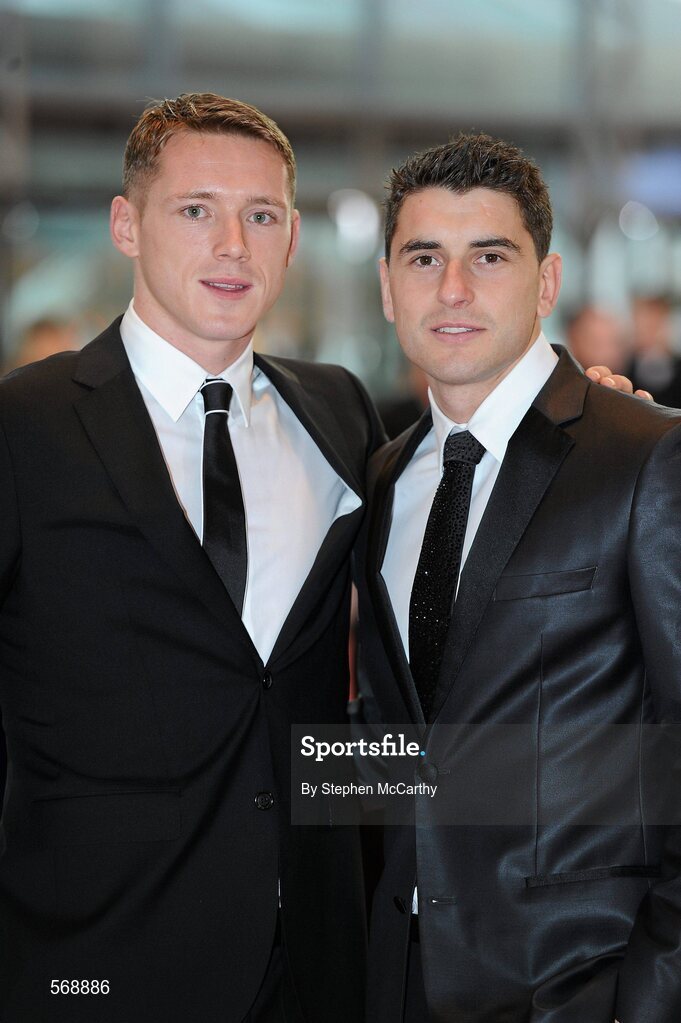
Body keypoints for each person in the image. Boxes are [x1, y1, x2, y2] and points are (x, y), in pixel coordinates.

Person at [0, 92, 383, 1023]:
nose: (232, 246)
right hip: (93, 967)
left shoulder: (340, 413)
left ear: (292, 239)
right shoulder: (24, 426)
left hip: (317, 967)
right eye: (196, 209)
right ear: (126, 225)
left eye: (261, 216)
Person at [356, 132, 681, 1022]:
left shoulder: (644, 456)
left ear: (546, 282)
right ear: (386, 286)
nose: (452, 289)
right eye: (424, 257)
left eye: (489, 256)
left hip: (575, 982)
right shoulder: (381, 477)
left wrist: (646, 996)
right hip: (395, 975)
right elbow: (401, 748)